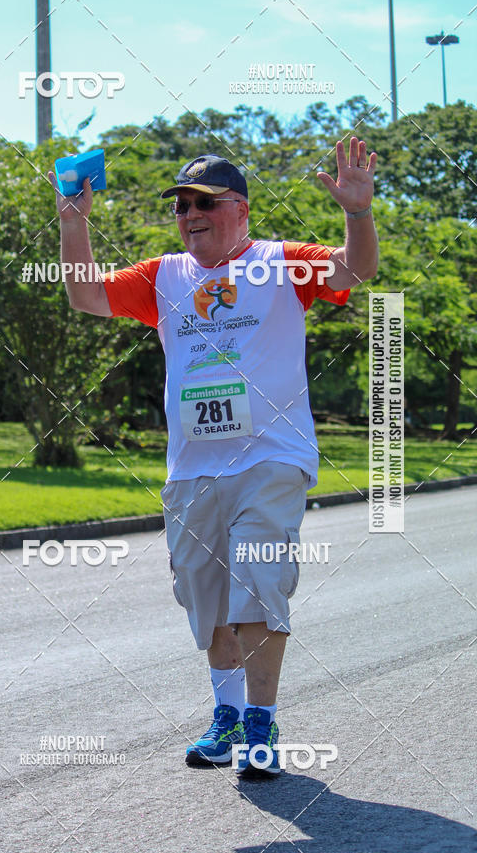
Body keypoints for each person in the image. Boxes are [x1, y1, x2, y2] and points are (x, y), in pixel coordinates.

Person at [48, 138, 378, 778]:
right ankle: (225, 719)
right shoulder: (163, 276)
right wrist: (73, 223)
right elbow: (86, 297)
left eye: (206, 202)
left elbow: (353, 272)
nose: (190, 213)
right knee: (207, 604)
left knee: (256, 586)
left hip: (271, 460)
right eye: (181, 205)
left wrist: (357, 213)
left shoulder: (280, 264)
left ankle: (261, 724)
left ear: (242, 210)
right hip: (193, 470)